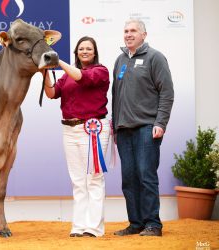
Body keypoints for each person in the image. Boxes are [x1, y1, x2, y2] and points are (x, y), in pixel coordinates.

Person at [111, 19, 174, 237]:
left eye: (133, 31)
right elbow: (116, 97)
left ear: (144, 35)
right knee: (129, 179)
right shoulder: (120, 60)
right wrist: (115, 125)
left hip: (147, 128)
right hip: (123, 130)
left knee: (146, 176)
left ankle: (153, 224)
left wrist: (160, 123)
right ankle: (136, 223)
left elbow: (166, 93)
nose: (128, 34)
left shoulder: (155, 57)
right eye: (126, 30)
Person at [44, 36, 110, 237]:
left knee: (93, 179)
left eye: (89, 48)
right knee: (78, 180)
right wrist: (45, 72)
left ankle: (94, 228)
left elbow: (82, 77)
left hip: (94, 129)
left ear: (95, 51)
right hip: (70, 129)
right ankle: (79, 226)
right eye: (81, 48)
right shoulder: (66, 76)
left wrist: (57, 61)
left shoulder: (101, 71)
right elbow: (51, 93)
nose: (85, 51)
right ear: (77, 52)